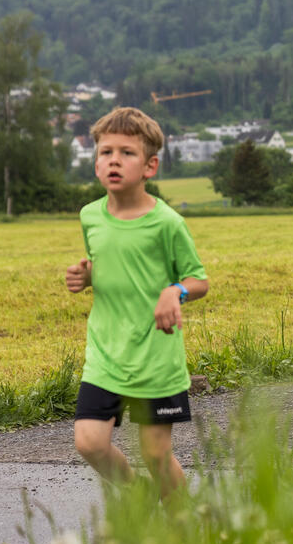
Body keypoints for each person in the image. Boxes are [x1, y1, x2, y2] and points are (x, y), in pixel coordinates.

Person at [65, 107, 208, 502]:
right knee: (90, 443)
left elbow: (199, 281)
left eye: (127, 153)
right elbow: (111, 263)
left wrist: (173, 292)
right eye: (105, 152)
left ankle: (185, 523)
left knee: (156, 455)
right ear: (95, 164)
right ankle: (137, 496)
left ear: (150, 165)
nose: (114, 159)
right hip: (106, 355)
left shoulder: (167, 223)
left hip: (155, 360)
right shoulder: (89, 216)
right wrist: (88, 276)